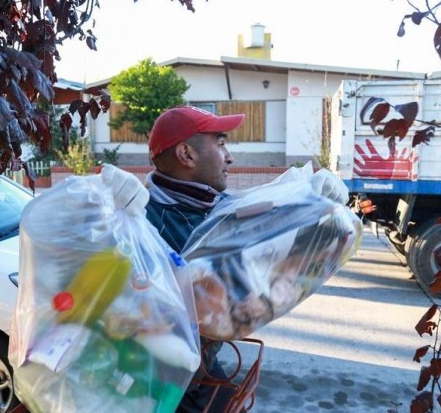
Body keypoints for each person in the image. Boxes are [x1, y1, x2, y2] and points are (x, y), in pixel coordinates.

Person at [102, 105, 349, 412]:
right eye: (220, 144)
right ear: (187, 154)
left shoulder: (214, 206)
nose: (229, 156)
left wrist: (311, 205)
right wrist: (98, 207)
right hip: (151, 380)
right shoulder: (140, 219)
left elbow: (268, 235)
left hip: (199, 366)